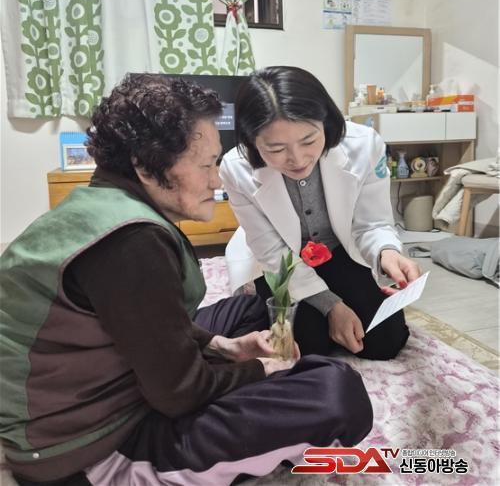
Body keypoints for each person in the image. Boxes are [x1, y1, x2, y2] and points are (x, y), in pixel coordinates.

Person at [0, 74, 373, 486]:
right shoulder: (132, 244)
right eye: (206, 165)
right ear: (146, 166)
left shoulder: (101, 202)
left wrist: (222, 346)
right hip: (87, 450)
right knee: (336, 392)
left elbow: (143, 322)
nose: (216, 180)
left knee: (249, 310)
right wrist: (258, 370)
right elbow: (180, 393)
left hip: (102, 384)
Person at [220, 66, 422, 360]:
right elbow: (271, 251)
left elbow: (372, 223)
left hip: (340, 249)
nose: (297, 159)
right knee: (305, 347)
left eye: (308, 140)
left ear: (325, 122)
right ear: (252, 141)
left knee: (385, 342)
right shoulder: (235, 168)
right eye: (276, 149)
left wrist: (387, 252)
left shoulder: (365, 145)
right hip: (282, 258)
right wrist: (331, 306)